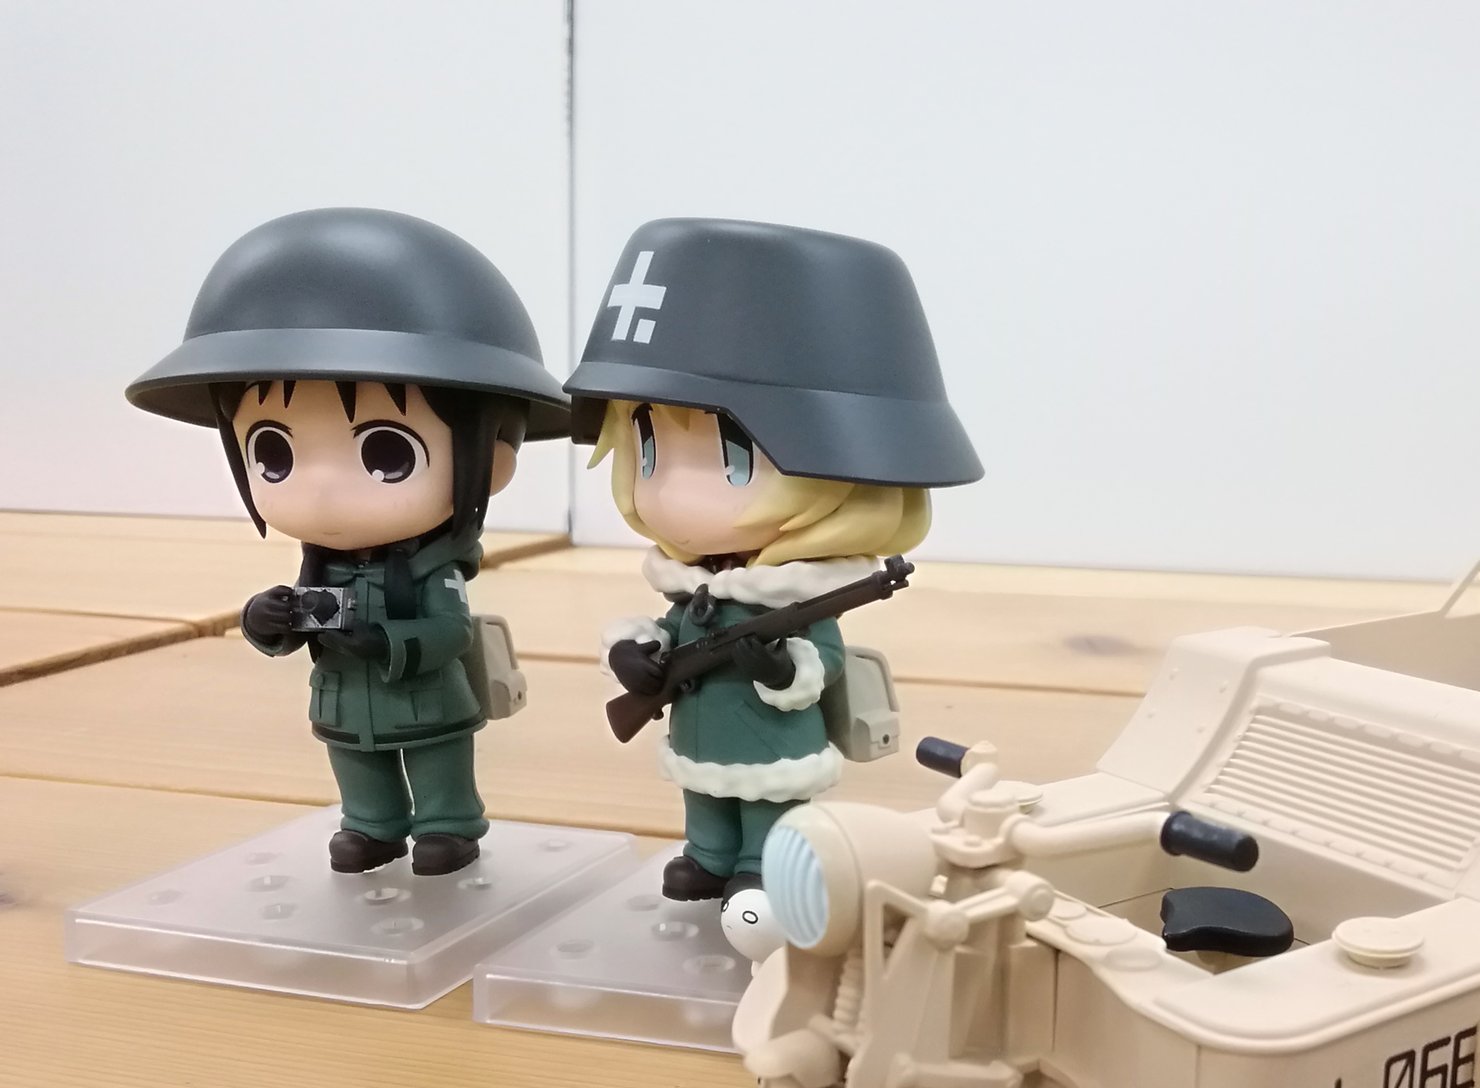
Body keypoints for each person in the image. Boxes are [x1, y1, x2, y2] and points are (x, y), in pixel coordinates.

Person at [567, 218, 980, 935]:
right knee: (704, 802)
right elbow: (666, 629)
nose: (673, 495)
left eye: (732, 460)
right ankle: (707, 855)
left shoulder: (793, 601)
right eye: (647, 450)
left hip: (770, 741)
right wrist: (636, 656)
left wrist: (780, 668)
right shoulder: (691, 589)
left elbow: (822, 658)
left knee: (769, 810)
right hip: (699, 732)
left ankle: (763, 864)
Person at [129, 208, 569, 875]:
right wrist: (265, 619)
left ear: (493, 462)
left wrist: (385, 642)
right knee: (356, 765)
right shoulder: (318, 567)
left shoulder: (435, 567)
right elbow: (286, 631)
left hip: (424, 697)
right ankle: (372, 824)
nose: (324, 490)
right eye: (273, 454)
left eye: (386, 454)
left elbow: (451, 630)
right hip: (341, 697)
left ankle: (448, 824)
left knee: (438, 762)